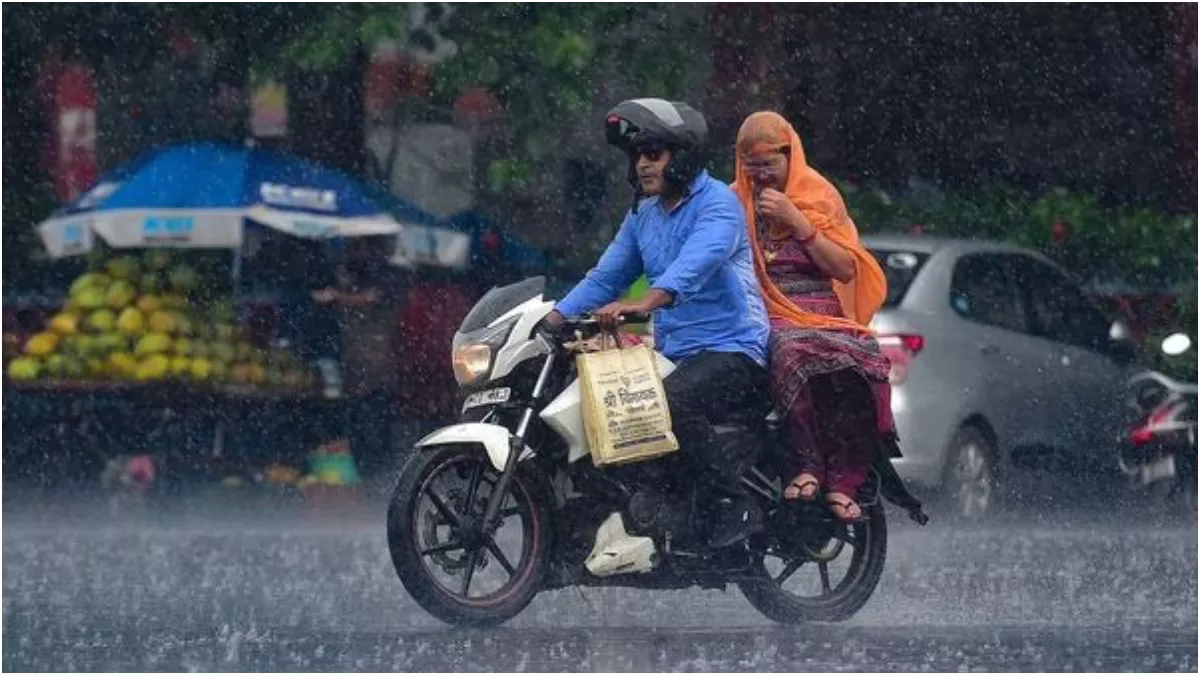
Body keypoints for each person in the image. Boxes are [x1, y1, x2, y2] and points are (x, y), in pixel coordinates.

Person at [544, 98, 771, 548]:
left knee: (667, 401)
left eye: (653, 153)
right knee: (603, 401)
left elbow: (693, 265)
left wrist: (644, 302)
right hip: (676, 352)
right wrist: (553, 317)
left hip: (735, 350)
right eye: (636, 155)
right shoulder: (643, 215)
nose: (642, 164)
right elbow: (607, 276)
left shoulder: (719, 206)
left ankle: (732, 501)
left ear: (681, 156)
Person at [730, 111, 895, 523]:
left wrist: (797, 222)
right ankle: (806, 465)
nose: (762, 175)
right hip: (766, 313)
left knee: (863, 359)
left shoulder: (819, 196)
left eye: (770, 164)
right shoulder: (733, 201)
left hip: (823, 309)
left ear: (791, 157)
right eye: (752, 167)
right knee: (788, 350)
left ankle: (844, 481)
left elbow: (844, 269)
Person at [312, 237, 404, 476]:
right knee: (360, 424)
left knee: (375, 424)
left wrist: (337, 296)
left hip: (376, 370)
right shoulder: (351, 278)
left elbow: (373, 298)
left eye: (356, 247)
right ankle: (367, 469)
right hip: (355, 369)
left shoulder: (384, 278)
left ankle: (377, 471)